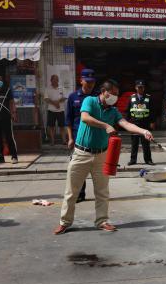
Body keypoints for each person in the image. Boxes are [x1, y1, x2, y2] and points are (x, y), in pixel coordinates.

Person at [54, 79, 154, 235]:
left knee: (102, 191)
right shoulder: (90, 101)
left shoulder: (113, 111)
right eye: (112, 93)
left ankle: (102, 221)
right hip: (81, 153)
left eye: (117, 94)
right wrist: (106, 125)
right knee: (72, 191)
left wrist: (143, 131)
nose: (114, 97)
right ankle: (65, 222)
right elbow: (85, 118)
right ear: (103, 91)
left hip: (102, 154)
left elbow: (126, 124)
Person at [66, 68, 98, 203]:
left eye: (92, 82)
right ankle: (80, 193)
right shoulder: (73, 97)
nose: (90, 84)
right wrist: (70, 138)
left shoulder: (97, 97)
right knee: (78, 168)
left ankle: (100, 194)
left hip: (94, 136)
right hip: (78, 137)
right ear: (81, 81)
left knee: (96, 167)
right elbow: (68, 119)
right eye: (87, 81)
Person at [127, 80, 155, 166]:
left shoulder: (148, 97)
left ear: (144, 88)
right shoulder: (131, 98)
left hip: (145, 123)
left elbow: (152, 111)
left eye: (142, 87)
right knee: (134, 143)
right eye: (139, 87)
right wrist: (128, 123)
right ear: (136, 88)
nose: (140, 89)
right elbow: (128, 110)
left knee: (146, 143)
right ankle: (133, 160)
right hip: (134, 124)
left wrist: (152, 122)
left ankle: (148, 160)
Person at [44, 74, 67, 146]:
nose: (56, 81)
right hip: (51, 110)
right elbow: (46, 99)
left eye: (57, 79)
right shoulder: (47, 89)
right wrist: (54, 103)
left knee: (62, 126)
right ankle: (52, 141)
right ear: (51, 80)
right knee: (51, 126)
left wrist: (58, 102)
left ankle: (64, 140)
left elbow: (65, 97)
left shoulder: (62, 88)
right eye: (54, 79)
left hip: (61, 110)